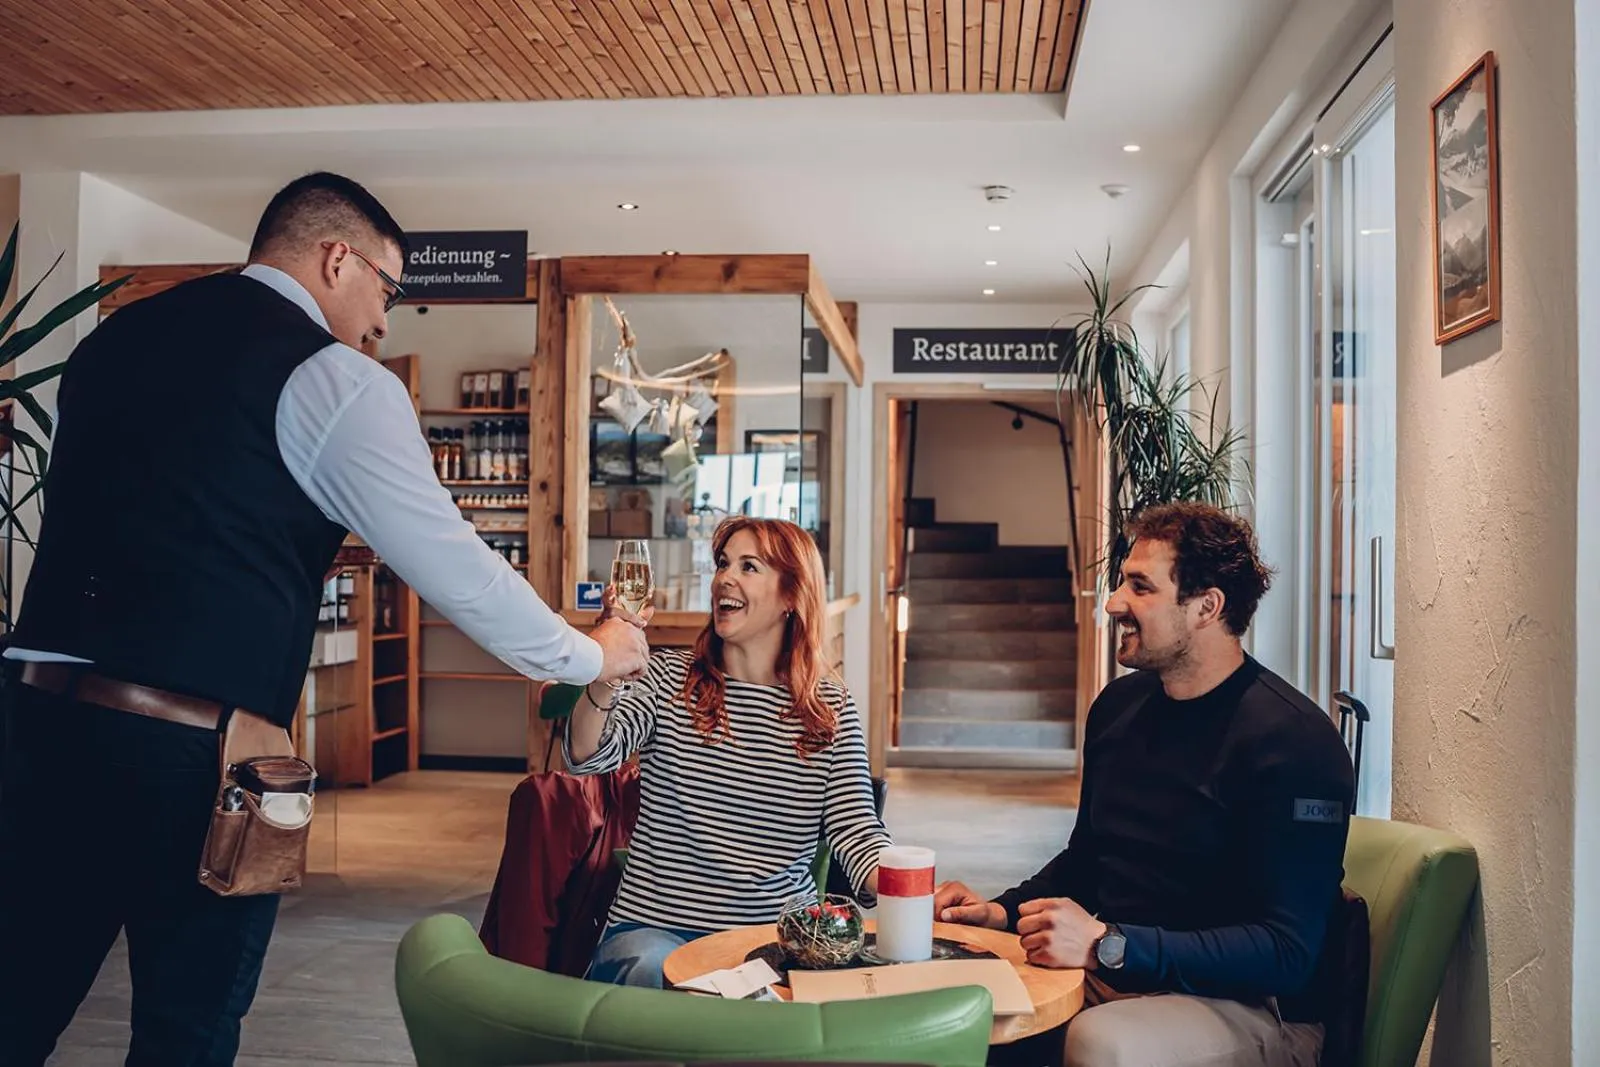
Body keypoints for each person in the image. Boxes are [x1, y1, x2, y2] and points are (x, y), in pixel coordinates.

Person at [0, 171, 649, 1067]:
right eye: (387, 290)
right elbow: (457, 570)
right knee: (185, 1030)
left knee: (15, 1003)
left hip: (34, 723)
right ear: (336, 258)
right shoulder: (337, 378)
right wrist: (590, 654)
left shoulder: (112, 343)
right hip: (196, 760)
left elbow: (155, 519)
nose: (383, 322)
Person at [934, 503, 1354, 1067]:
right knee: (948, 1014)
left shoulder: (1295, 742)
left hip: (1253, 1007)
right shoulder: (1118, 708)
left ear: (1207, 607)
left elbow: (1285, 952)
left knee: (1101, 1043)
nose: (1113, 603)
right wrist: (1001, 913)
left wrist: (1109, 945)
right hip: (1118, 971)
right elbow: (1089, 861)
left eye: (1140, 586)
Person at [564, 516, 891, 988]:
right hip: (656, 931)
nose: (724, 578)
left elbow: (856, 831)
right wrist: (604, 670)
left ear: (791, 596)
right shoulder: (668, 679)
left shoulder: (829, 708)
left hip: (773, 941)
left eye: (748, 566)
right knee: (654, 971)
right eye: (722, 564)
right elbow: (586, 754)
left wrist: (913, 885)